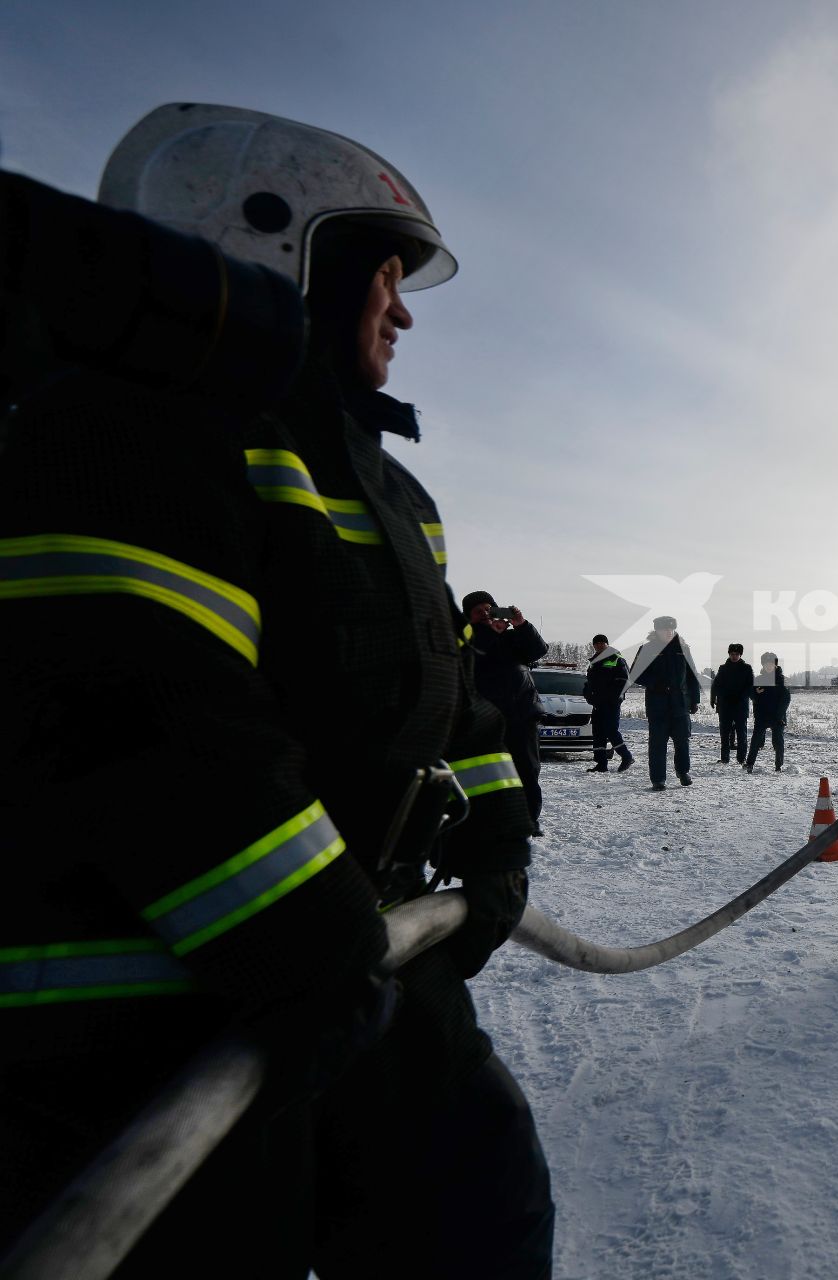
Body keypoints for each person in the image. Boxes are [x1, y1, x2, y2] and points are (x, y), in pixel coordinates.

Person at [0, 104, 552, 1275]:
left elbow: (444, 696)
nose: (402, 310)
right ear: (283, 245)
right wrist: (304, 937)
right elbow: (138, 705)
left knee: (481, 1211)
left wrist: (499, 825)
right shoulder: (118, 432)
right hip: (144, 1029)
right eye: (387, 275)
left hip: (356, 975)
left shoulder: (387, 492)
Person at [463, 590, 548, 832]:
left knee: (528, 772)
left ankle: (530, 820)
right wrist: (490, 632)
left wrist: (522, 625)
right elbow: (469, 659)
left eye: (489, 609)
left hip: (522, 715)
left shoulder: (512, 637)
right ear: (468, 617)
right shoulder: (467, 639)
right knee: (490, 776)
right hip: (485, 720)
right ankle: (492, 821)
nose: (485, 614)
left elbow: (538, 651)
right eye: (478, 611)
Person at [632, 615, 702, 790]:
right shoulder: (647, 649)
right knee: (657, 743)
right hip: (658, 705)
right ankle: (658, 779)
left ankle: (683, 772)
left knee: (683, 740)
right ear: (656, 630)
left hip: (680, 704)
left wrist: (694, 700)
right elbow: (635, 674)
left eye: (671, 629)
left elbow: (692, 675)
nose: (669, 632)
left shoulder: (683, 648)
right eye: (665, 629)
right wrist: (656, 683)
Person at [582, 633, 634, 772]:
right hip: (598, 703)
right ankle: (601, 764)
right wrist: (588, 694)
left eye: (601, 643)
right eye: (596, 644)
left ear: (607, 644)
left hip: (611, 703)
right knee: (598, 732)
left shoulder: (616, 658)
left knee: (611, 731)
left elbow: (624, 681)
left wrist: (613, 697)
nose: (599, 645)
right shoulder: (593, 662)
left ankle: (626, 757)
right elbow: (589, 683)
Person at [744, 651, 791, 773]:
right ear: (763, 665)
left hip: (778, 716)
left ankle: (778, 766)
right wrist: (756, 693)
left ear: (775, 665)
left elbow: (786, 699)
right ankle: (749, 764)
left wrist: (779, 715)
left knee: (778, 742)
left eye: (771, 664)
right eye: (766, 664)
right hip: (762, 716)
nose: (769, 666)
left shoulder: (782, 680)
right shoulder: (758, 679)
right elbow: (750, 694)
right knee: (755, 741)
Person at [710, 642, 753, 764]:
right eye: (732, 654)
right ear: (729, 654)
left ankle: (741, 758)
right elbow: (716, 685)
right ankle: (724, 758)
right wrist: (713, 698)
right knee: (724, 734)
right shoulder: (723, 668)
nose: (734, 656)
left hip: (740, 706)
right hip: (725, 706)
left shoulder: (747, 668)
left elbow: (750, 686)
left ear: (740, 655)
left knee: (741, 734)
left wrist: (741, 697)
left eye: (737, 654)